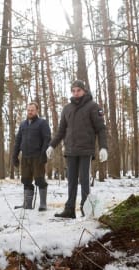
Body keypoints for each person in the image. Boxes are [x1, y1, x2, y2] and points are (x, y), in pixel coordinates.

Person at [46, 80, 108, 218]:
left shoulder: (93, 106)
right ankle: (69, 209)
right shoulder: (67, 108)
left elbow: (101, 129)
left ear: (84, 91)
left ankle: (86, 209)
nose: (76, 93)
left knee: (84, 180)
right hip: (70, 150)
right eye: (73, 91)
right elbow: (61, 131)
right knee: (71, 180)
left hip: (86, 150)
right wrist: (51, 145)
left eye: (78, 90)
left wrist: (103, 147)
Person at [12, 102, 51, 211]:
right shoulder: (23, 124)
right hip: (25, 157)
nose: (30, 112)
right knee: (26, 180)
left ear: (37, 110)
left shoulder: (42, 123)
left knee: (39, 180)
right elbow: (18, 140)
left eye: (32, 110)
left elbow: (47, 139)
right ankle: (27, 204)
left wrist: (43, 154)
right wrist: (14, 155)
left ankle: (43, 204)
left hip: (37, 156)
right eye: (28, 110)